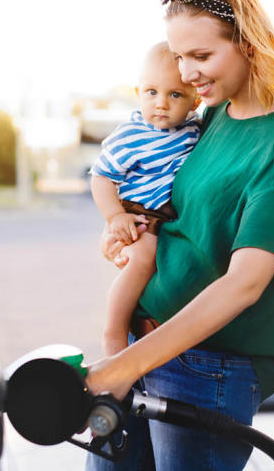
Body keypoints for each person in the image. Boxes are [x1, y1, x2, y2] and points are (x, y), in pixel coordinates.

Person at [85, 0, 274, 471]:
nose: (186, 74)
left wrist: (123, 367)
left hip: (208, 368)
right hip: (144, 346)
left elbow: (244, 284)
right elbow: (180, 211)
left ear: (250, 43)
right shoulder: (213, 116)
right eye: (178, 56)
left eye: (201, 56)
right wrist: (126, 226)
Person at [89, 42, 201, 357]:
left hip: (166, 217)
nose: (161, 104)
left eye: (175, 94)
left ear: (195, 101)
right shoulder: (131, 135)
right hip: (139, 214)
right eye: (151, 92)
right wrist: (115, 217)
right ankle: (113, 332)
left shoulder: (193, 128)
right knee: (143, 258)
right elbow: (101, 176)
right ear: (138, 92)